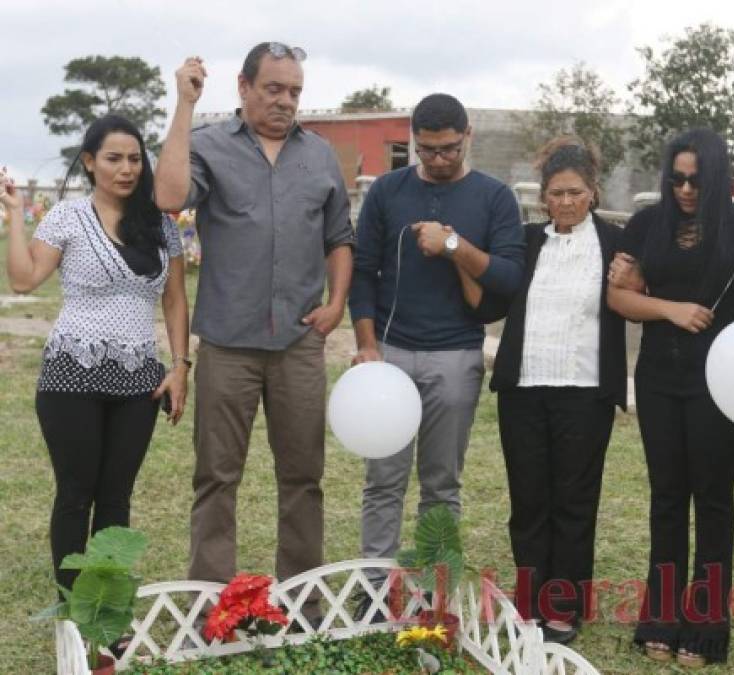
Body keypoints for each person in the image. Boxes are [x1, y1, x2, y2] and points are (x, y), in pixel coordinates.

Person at [153, 44, 355, 588]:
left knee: (304, 478)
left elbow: (339, 237)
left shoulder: (319, 156)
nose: (285, 101)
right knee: (216, 478)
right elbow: (169, 195)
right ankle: (210, 605)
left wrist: (336, 303)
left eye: (294, 91)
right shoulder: (209, 146)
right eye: (274, 89)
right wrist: (184, 105)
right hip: (227, 345)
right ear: (243, 87)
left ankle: (303, 601)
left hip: (298, 345)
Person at [607, 128, 734, 667]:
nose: (684, 189)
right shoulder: (646, 224)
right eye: (676, 178)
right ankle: (659, 616)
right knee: (666, 497)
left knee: (711, 501)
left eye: (695, 179)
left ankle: (706, 627)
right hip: (659, 379)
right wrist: (672, 309)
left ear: (713, 178)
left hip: (721, 381)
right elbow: (618, 297)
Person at [347, 93, 525, 613]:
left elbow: (509, 279)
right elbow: (363, 270)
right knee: (383, 478)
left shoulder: (495, 198)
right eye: (427, 150)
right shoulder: (387, 190)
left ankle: (430, 589)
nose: (439, 160)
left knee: (441, 483)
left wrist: (453, 247)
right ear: (414, 141)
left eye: (448, 149)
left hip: (456, 354)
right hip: (391, 352)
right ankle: (375, 588)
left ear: (467, 135)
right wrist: (366, 345)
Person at [2, 115, 189, 598]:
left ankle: (105, 607)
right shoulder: (66, 216)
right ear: (89, 162)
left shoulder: (160, 225)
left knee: (115, 498)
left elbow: (174, 300)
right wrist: (16, 216)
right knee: (75, 495)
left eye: (133, 159)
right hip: (71, 377)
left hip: (140, 381)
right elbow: (24, 280)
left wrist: (180, 367)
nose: (126, 169)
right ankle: (71, 608)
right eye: (113, 159)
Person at [466, 138, 627, 644]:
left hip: (585, 391)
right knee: (529, 499)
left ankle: (565, 607)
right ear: (543, 197)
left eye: (575, 192)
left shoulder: (616, 244)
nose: (565, 202)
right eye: (556, 193)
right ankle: (529, 603)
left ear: (593, 192)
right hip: (525, 389)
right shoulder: (525, 240)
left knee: (575, 500)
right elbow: (490, 296)